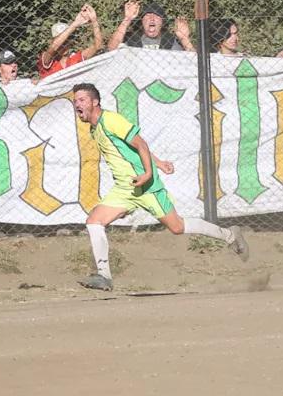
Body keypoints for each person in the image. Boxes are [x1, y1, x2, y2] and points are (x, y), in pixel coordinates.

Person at [71, 82, 249, 291]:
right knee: (94, 221)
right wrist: (159, 162)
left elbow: (140, 143)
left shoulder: (111, 120)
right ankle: (104, 276)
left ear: (95, 102)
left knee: (177, 227)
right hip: (125, 188)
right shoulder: (95, 127)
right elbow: (133, 149)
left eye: (81, 100)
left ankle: (230, 235)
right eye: (75, 101)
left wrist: (149, 172)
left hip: (146, 186)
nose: (77, 104)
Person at [38, 3, 104, 80]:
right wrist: (75, 24)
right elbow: (54, 46)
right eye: (62, 42)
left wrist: (94, 20)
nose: (63, 45)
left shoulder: (75, 58)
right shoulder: (48, 61)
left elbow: (98, 45)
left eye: (66, 41)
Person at [107, 0, 195, 52]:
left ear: (162, 22)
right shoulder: (131, 39)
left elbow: (193, 62)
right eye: (148, 15)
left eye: (157, 16)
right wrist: (127, 19)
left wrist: (184, 39)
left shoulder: (170, 40)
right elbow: (111, 49)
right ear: (141, 21)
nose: (152, 18)